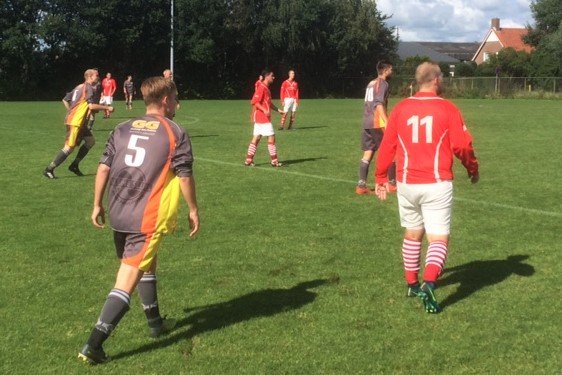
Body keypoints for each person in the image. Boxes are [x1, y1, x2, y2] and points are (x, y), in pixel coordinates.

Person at [78, 76, 200, 364]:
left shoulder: (122, 128)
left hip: (118, 210)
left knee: (148, 261)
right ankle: (93, 345)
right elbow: (184, 174)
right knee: (126, 279)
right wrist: (193, 209)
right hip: (145, 216)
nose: (177, 104)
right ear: (166, 100)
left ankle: (155, 323)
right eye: (176, 97)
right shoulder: (175, 132)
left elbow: (104, 167)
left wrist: (97, 203)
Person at [374, 62, 479, 313]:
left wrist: (379, 177)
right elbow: (462, 146)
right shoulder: (447, 108)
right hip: (436, 182)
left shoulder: (401, 109)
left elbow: (388, 145)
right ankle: (429, 283)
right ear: (437, 80)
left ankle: (412, 283)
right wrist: (472, 168)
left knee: (412, 232)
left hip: (406, 182)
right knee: (438, 238)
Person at [43, 69, 113, 179]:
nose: (98, 77)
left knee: (90, 141)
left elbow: (65, 99)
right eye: (96, 75)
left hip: (80, 122)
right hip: (75, 122)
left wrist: (71, 111)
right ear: (89, 77)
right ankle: (49, 169)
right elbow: (91, 106)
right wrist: (107, 107)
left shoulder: (79, 87)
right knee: (68, 148)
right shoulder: (88, 87)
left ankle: (74, 165)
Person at [356, 61, 396, 195]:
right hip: (377, 122)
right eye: (391, 69)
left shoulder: (370, 83)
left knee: (368, 152)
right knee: (391, 151)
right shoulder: (383, 83)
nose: (392, 71)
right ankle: (391, 184)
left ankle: (361, 185)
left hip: (366, 122)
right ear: (385, 70)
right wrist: (387, 121)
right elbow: (378, 104)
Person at [245, 69, 285, 167]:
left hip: (260, 118)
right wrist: (264, 110)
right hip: (263, 118)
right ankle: (274, 161)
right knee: (271, 138)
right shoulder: (261, 87)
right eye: (272, 76)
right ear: (267, 76)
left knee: (256, 138)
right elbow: (254, 101)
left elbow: (269, 103)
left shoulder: (266, 88)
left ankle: (248, 160)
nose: (274, 77)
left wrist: (278, 110)